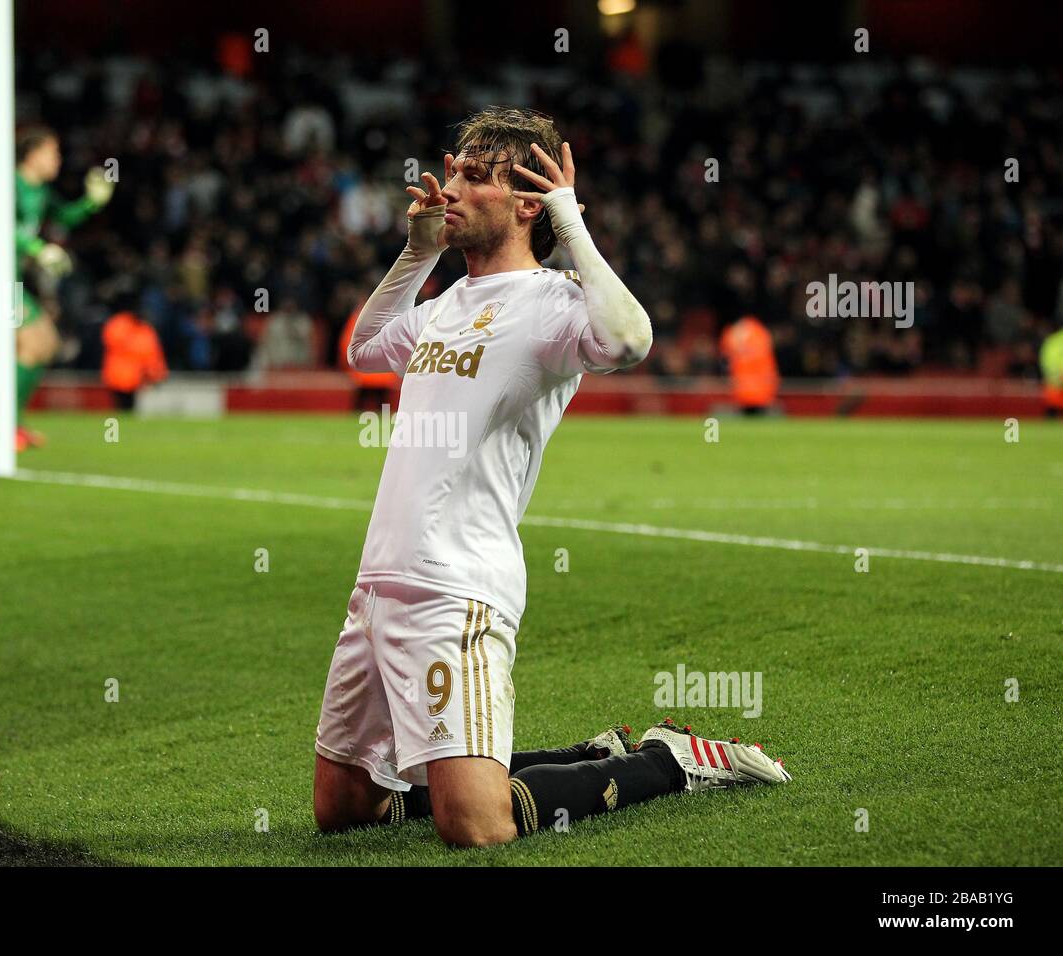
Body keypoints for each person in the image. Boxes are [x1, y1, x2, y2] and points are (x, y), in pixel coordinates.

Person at [313, 107, 790, 848]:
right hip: (378, 584)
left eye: (474, 178)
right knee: (344, 810)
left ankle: (669, 761)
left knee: (475, 826)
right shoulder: (442, 307)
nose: (450, 189)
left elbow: (630, 339)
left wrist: (571, 225)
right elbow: (365, 349)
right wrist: (417, 253)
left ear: (527, 202)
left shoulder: (553, 306)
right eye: (455, 172)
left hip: (458, 586)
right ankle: (583, 759)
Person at [0, 125, 114, 450]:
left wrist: (92, 203)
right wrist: (37, 249)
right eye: (53, 152)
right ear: (33, 155)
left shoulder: (42, 193)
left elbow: (64, 217)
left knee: (46, 344)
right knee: (34, 342)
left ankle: (11, 424)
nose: (58, 160)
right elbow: (0, 223)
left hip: (11, 277)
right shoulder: (8, 183)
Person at [101, 309, 168, 411]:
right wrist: (157, 374)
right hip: (123, 376)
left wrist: (157, 373)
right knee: (123, 406)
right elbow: (150, 354)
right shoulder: (128, 327)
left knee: (125, 406)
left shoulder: (122, 326)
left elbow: (151, 354)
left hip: (128, 377)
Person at [720, 314, 780, 415]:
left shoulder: (757, 335)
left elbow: (726, 358)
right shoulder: (761, 334)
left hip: (753, 390)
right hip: (749, 390)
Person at [1041, 325, 1063, 419]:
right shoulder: (1053, 340)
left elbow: (1046, 362)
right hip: (1056, 385)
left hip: (1055, 382)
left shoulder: (1052, 340)